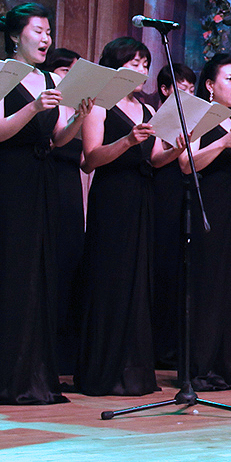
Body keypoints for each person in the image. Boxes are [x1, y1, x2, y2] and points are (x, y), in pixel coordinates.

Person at [0, 2, 82, 405]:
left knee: (41, 271)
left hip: (43, 178)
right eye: (37, 31)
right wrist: (34, 106)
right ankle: (5, 377)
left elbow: (57, 138)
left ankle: (37, 374)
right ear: (15, 36)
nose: (45, 38)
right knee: (11, 271)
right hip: (9, 180)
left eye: (48, 32)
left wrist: (78, 117)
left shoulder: (50, 77)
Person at [171, 52, 231, 390]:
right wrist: (223, 142)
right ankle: (203, 365)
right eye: (229, 79)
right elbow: (186, 163)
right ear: (210, 85)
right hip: (208, 204)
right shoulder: (200, 116)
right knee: (209, 281)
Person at [75, 36, 160, 397]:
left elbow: (155, 158)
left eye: (145, 64)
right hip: (113, 198)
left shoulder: (149, 110)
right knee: (110, 278)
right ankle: (104, 371)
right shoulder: (100, 105)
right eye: (134, 63)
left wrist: (178, 146)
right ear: (114, 66)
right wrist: (126, 141)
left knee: (139, 281)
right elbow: (90, 159)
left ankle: (135, 370)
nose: (141, 70)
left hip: (143, 197)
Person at [41, 45, 87, 378]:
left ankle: (66, 354)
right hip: (46, 183)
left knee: (71, 264)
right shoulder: (47, 104)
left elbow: (85, 159)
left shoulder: (75, 108)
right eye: (64, 72)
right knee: (49, 263)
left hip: (71, 190)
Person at [149, 63, 195, 370]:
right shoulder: (154, 116)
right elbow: (157, 159)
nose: (187, 93)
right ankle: (158, 346)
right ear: (164, 90)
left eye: (191, 88)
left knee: (181, 268)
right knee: (162, 264)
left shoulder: (191, 117)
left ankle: (175, 345)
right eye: (181, 88)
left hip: (184, 191)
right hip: (161, 191)